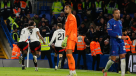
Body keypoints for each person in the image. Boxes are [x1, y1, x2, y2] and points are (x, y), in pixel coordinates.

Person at [102, 9, 128, 76]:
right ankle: (105, 70)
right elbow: (110, 33)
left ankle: (123, 74)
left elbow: (119, 31)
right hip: (114, 41)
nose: (118, 14)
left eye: (119, 13)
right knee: (113, 59)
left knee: (123, 56)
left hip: (121, 41)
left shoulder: (120, 22)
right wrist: (120, 37)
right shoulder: (110, 22)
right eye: (116, 13)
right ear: (113, 14)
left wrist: (122, 35)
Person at [62, 5, 77, 76]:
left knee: (69, 55)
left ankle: (73, 72)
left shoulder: (71, 17)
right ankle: (71, 72)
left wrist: (66, 38)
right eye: (65, 9)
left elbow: (70, 28)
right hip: (68, 37)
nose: (65, 10)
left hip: (71, 37)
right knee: (68, 55)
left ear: (70, 9)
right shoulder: (68, 17)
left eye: (66, 9)